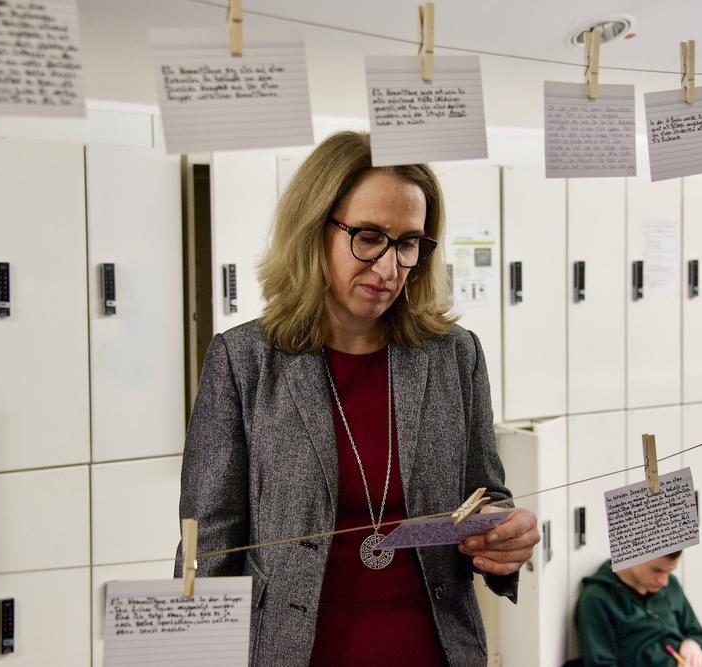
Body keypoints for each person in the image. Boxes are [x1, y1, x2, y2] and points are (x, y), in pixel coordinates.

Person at [176, 130, 539, 666]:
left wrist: (506, 538)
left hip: (432, 649)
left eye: (409, 243)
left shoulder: (454, 356)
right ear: (313, 228)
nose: (390, 268)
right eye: (368, 237)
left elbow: (484, 497)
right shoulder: (243, 360)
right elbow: (208, 545)